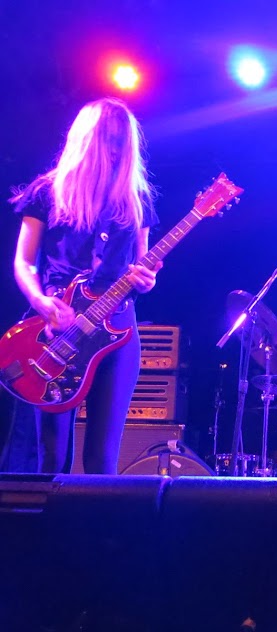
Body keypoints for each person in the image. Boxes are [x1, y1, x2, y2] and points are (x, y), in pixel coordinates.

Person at [8, 97, 160, 474]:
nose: (115, 150)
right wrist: (40, 301)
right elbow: (23, 261)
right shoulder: (47, 191)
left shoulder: (136, 198)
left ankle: (99, 515)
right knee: (52, 456)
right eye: (109, 140)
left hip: (117, 329)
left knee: (103, 460)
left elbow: (143, 267)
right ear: (89, 139)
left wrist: (147, 280)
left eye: (121, 142)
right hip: (57, 327)